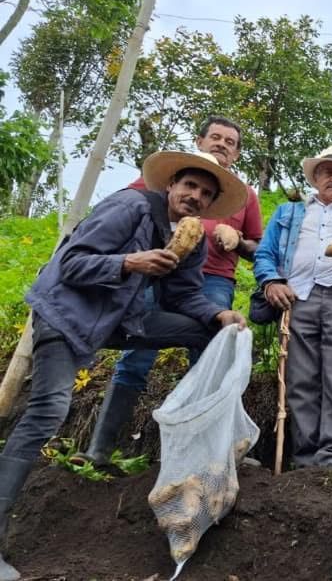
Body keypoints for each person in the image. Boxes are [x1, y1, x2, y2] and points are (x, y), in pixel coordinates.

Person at [0, 151, 248, 580]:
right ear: (170, 186)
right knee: (48, 411)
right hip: (66, 314)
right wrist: (128, 262)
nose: (195, 196)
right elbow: (71, 262)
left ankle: (203, 444)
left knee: (206, 331)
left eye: (206, 194)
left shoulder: (192, 241)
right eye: (189, 186)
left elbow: (183, 297)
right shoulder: (129, 206)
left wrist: (218, 314)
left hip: (118, 322)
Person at [71, 116, 262, 468]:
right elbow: (126, 208)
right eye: (215, 137)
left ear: (236, 154)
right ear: (199, 141)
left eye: (230, 142)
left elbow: (257, 248)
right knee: (136, 351)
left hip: (213, 280)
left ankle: (211, 455)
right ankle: (99, 449)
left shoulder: (245, 196)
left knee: (211, 357)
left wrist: (238, 241)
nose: (222, 144)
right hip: (152, 275)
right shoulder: (162, 181)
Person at [253, 146, 332, 470]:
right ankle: (306, 462)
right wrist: (272, 282)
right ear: (316, 178)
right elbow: (265, 254)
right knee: (300, 380)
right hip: (298, 299)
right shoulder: (288, 212)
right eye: (329, 172)